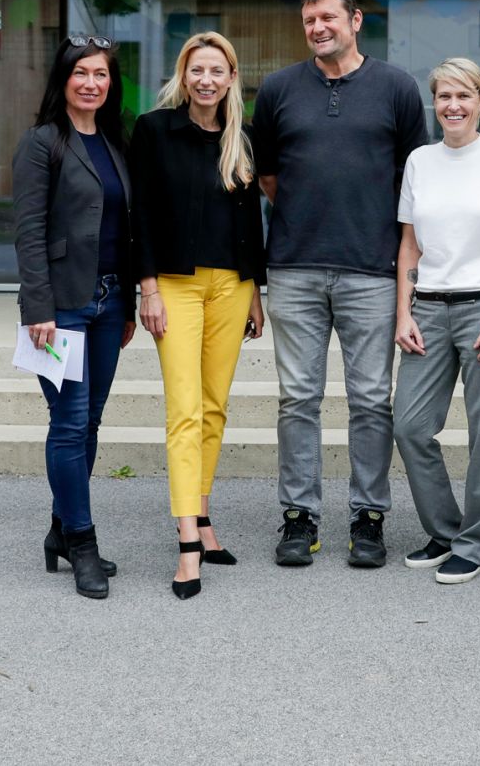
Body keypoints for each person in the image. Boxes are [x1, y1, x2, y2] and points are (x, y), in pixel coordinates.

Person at [252, 0, 429, 568]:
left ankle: (368, 517)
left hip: (372, 269)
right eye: (309, 20)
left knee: (371, 399)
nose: (318, 28)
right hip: (295, 266)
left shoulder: (397, 88)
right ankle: (299, 516)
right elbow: (269, 176)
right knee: (297, 398)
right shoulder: (278, 89)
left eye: (328, 17)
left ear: (355, 21)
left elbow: (414, 181)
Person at [127, 32, 267, 600]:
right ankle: (188, 541)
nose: (206, 80)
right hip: (175, 286)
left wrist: (255, 290)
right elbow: (140, 214)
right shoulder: (154, 130)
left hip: (233, 285)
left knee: (213, 407)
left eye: (217, 71)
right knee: (184, 410)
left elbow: (250, 219)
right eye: (196, 70)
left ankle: (203, 516)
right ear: (183, 76)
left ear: (231, 78)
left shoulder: (242, 138)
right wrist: (148, 290)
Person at [392, 58, 480, 585]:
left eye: (463, 96)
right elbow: (409, 245)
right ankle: (446, 530)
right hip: (428, 308)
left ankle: (475, 545)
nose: (453, 106)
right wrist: (403, 312)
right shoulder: (420, 161)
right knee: (409, 425)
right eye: (444, 96)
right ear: (435, 102)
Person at [13, 34, 137, 601]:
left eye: (101, 74)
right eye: (81, 73)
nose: (91, 83)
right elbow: (28, 232)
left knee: (90, 422)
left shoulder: (115, 142)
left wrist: (128, 302)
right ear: (63, 79)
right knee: (68, 422)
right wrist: (37, 308)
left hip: (110, 303)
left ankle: (61, 531)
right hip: (61, 306)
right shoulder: (42, 142)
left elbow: (124, 229)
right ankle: (81, 542)